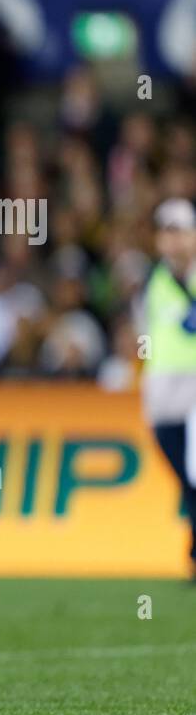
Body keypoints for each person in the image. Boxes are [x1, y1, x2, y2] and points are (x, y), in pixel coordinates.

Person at [140, 198, 196, 578]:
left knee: (194, 469)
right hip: (162, 387)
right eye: (165, 231)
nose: (171, 239)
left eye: (178, 230)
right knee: (181, 469)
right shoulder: (155, 280)